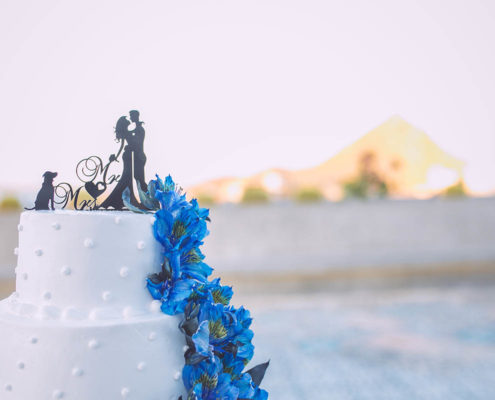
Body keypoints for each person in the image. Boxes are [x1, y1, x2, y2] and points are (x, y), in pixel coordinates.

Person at [129, 110, 147, 192]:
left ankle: (149, 197)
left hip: (139, 157)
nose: (130, 118)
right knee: (137, 178)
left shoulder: (139, 129)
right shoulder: (137, 129)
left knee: (140, 180)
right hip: (137, 157)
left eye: (131, 116)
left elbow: (137, 143)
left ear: (135, 116)